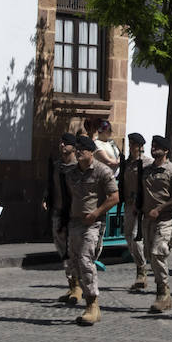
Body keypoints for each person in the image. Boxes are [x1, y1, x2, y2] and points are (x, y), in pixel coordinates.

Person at [60, 136, 119, 326]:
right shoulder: (72, 173)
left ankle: (92, 305)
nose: (77, 152)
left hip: (93, 224)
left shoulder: (102, 171)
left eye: (82, 150)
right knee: (74, 263)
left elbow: (114, 197)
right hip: (76, 223)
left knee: (86, 260)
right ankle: (85, 297)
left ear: (91, 152)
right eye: (76, 149)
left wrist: (96, 213)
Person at [141, 136, 172, 314]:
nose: (154, 149)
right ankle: (162, 290)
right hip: (147, 219)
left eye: (158, 147)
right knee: (149, 256)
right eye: (153, 146)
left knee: (158, 253)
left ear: (166, 150)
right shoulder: (146, 170)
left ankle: (163, 294)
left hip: (165, 220)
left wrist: (160, 209)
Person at [43, 134, 78, 303]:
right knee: (63, 252)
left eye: (66, 143)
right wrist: (46, 198)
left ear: (74, 147)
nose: (62, 145)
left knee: (75, 252)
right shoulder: (57, 166)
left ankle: (78, 287)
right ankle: (72, 285)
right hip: (58, 212)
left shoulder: (79, 168)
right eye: (61, 142)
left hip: (74, 215)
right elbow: (51, 185)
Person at [119, 133, 151, 293]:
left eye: (134, 145)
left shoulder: (147, 164)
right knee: (128, 237)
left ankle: (141, 271)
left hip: (141, 206)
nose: (131, 147)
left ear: (140, 146)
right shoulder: (126, 163)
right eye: (130, 144)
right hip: (129, 205)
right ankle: (141, 265)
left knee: (135, 238)